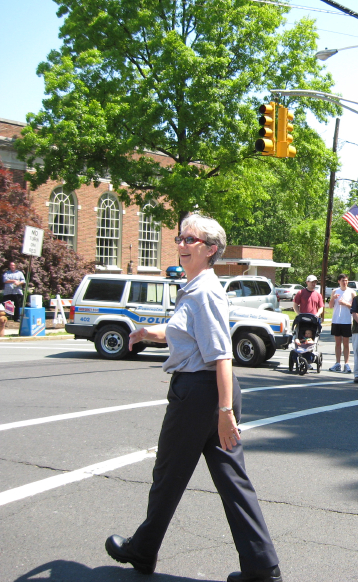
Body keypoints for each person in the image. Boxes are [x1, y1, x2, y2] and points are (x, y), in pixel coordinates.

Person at [105, 214, 282, 582]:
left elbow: (221, 353)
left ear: (210, 250)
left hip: (202, 394)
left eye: (191, 240)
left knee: (168, 475)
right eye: (180, 238)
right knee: (232, 481)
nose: (181, 245)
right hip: (208, 393)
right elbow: (185, 334)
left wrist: (224, 410)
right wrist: (147, 333)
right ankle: (262, 568)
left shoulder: (204, 292)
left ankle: (142, 551)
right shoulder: (196, 288)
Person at [328, 274, 357, 373]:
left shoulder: (352, 292)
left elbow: (355, 307)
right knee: (337, 343)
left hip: (347, 321)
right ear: (339, 281)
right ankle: (337, 363)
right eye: (343, 280)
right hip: (336, 320)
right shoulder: (335, 291)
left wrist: (346, 303)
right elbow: (330, 306)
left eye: (346, 280)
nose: (345, 282)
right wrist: (333, 298)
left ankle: (347, 363)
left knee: (346, 343)